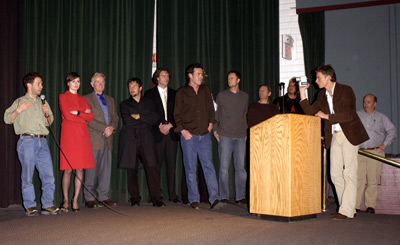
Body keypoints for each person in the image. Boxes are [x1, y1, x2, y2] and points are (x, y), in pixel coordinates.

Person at [299, 64, 369, 220]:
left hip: (349, 133)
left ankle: (346, 210)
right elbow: (310, 112)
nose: (316, 81)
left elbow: (349, 115)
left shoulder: (346, 90)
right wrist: (303, 92)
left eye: (318, 77)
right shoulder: (321, 95)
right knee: (335, 174)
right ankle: (348, 206)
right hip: (335, 135)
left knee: (349, 172)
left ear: (328, 77)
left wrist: (327, 116)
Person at [4, 72, 59, 216]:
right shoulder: (20, 101)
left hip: (42, 141)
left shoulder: (43, 102)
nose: (41, 86)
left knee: (48, 175)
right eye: (38, 83)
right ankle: (30, 205)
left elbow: (49, 122)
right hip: (27, 141)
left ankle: (48, 204)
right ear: (29, 85)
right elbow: (7, 119)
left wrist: (47, 113)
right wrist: (18, 110)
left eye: (41, 84)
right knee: (27, 175)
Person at [174, 63, 223, 210]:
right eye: (199, 74)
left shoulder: (205, 90)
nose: (201, 77)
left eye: (202, 74)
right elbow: (176, 114)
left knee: (209, 167)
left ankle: (214, 198)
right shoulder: (181, 92)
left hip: (204, 135)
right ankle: (193, 198)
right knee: (190, 168)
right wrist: (183, 131)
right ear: (190, 75)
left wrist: (210, 124)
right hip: (189, 136)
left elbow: (211, 109)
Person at [118, 77, 165, 207]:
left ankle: (156, 199)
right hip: (130, 141)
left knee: (152, 169)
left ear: (140, 88)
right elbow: (128, 121)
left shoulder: (149, 103)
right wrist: (145, 119)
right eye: (130, 87)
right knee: (131, 171)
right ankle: (135, 199)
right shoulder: (124, 104)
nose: (132, 89)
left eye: (134, 86)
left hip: (147, 140)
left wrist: (139, 116)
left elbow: (156, 119)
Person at [59, 72, 95, 212]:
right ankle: (66, 200)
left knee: (80, 168)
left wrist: (78, 113)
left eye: (78, 81)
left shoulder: (83, 99)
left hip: (81, 135)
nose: (76, 84)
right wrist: (82, 115)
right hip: (68, 135)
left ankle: (75, 200)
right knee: (68, 169)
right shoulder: (62, 97)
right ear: (68, 83)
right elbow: (67, 116)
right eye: (73, 81)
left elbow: (90, 116)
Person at [83, 73, 119, 208]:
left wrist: (112, 128)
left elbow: (115, 117)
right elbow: (88, 119)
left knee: (106, 170)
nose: (100, 84)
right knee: (91, 170)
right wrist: (104, 128)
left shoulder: (110, 99)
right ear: (92, 84)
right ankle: (89, 198)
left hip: (108, 139)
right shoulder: (86, 99)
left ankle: (104, 196)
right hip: (94, 139)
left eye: (102, 82)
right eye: (97, 82)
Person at [356, 94, 396, 214]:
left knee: (373, 180)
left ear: (375, 104)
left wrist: (384, 145)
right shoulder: (357, 115)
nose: (366, 104)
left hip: (375, 152)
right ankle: (355, 205)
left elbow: (392, 131)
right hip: (360, 152)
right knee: (358, 180)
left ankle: (370, 206)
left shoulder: (381, 117)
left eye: (369, 102)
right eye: (364, 102)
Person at [144, 68, 180, 203]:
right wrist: (159, 125)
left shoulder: (174, 94)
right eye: (163, 76)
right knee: (155, 166)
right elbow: (148, 113)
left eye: (167, 76)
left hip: (171, 133)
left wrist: (171, 125)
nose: (166, 78)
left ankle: (173, 195)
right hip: (156, 133)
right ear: (157, 78)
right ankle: (155, 194)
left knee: (171, 166)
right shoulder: (149, 94)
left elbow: (178, 113)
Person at [213, 71, 248, 204]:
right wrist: (215, 130)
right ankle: (224, 196)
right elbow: (217, 114)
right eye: (228, 78)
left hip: (240, 136)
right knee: (223, 168)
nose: (229, 80)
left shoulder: (244, 96)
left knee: (240, 168)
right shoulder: (222, 95)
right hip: (225, 135)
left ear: (238, 80)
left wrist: (245, 132)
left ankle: (240, 196)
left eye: (232, 78)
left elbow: (244, 115)